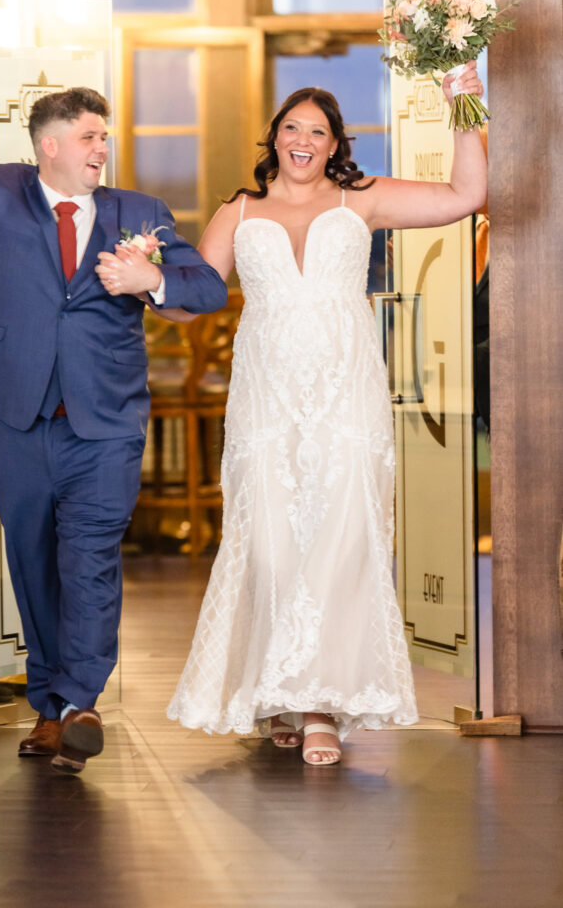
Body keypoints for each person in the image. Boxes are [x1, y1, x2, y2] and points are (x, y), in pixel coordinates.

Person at [0, 58, 227, 775]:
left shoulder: (138, 210)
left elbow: (206, 287)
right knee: (33, 558)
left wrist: (151, 276)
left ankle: (79, 703)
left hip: (104, 420)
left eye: (104, 136)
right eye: (88, 137)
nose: (102, 148)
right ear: (49, 145)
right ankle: (52, 708)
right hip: (13, 414)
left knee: (90, 557)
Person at [163, 63, 487, 765]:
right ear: (274, 138)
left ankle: (317, 708)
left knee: (339, 539)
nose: (302, 141)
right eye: (292, 128)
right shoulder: (237, 212)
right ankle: (278, 695)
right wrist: (144, 281)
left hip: (346, 395)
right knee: (271, 542)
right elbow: (192, 300)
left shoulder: (360, 199)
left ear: (335, 144)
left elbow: (466, 196)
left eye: (317, 131)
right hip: (265, 398)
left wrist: (465, 105)